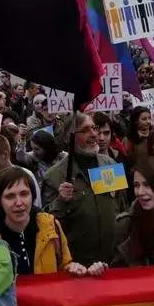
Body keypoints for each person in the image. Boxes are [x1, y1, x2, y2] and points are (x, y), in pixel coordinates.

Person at [42, 113, 126, 266]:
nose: (94, 134)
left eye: (94, 128)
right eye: (85, 130)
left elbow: (122, 207)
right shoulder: (54, 177)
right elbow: (47, 225)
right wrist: (60, 201)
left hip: (114, 262)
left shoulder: (110, 164)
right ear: (70, 137)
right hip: (78, 267)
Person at [0, 166, 97, 277]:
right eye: (10, 196)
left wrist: (74, 268)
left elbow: (64, 265)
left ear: (33, 195)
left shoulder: (51, 225)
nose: (19, 202)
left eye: (24, 194)